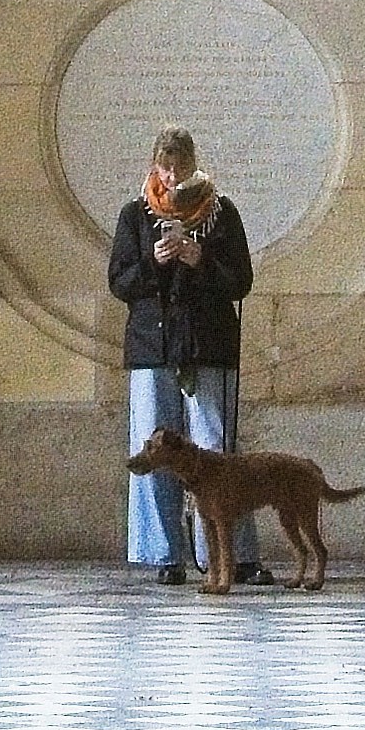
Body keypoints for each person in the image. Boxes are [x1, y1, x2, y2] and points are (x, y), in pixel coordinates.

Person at [109, 126, 252, 581]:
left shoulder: (222, 213)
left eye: (181, 166)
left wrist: (200, 260)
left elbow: (241, 281)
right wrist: (155, 260)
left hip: (208, 343)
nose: (172, 176)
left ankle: (230, 556)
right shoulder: (134, 215)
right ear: (154, 166)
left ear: (194, 165)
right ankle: (164, 555)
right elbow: (120, 282)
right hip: (154, 346)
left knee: (218, 448)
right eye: (165, 166)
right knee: (153, 448)